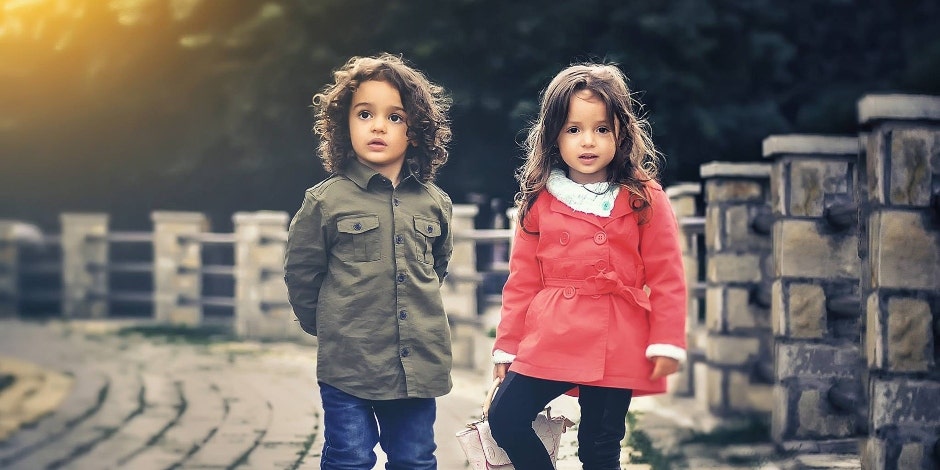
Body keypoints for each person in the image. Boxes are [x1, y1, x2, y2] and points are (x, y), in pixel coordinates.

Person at [488, 62, 687, 469]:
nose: (588, 141)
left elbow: (668, 275)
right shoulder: (540, 199)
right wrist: (507, 346)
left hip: (619, 333)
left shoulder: (643, 196)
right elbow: (522, 281)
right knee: (504, 418)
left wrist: (667, 340)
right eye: (574, 129)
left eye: (602, 129)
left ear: (621, 133)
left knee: (600, 447)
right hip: (551, 331)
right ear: (554, 135)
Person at [284, 53, 454, 470]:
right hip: (349, 364)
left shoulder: (436, 204)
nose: (378, 126)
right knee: (350, 458)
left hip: (418, 366)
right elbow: (302, 273)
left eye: (395, 117)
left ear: (415, 132)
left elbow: (436, 268)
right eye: (365, 114)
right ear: (346, 124)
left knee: (415, 459)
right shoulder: (324, 200)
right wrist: (326, 325)